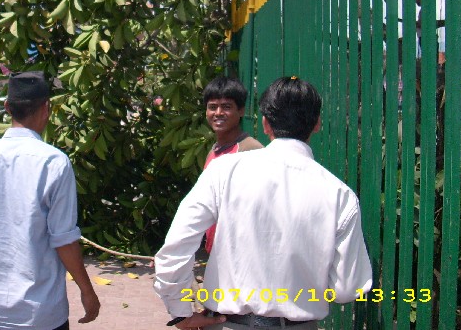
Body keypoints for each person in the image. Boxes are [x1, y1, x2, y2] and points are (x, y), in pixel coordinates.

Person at [154, 76, 372, 330]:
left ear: (266, 124)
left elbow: (176, 247)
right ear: (317, 124)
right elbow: (347, 288)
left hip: (228, 324)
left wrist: (180, 311)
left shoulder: (224, 171)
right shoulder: (339, 194)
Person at [0, 71, 100, 330]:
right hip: (42, 312)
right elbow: (63, 239)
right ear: (47, 108)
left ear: (8, 107)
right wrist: (87, 291)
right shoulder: (54, 163)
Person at [201, 76, 263, 253]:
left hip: (240, 253)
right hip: (215, 251)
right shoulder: (214, 151)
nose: (218, 113)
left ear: (241, 110)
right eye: (212, 107)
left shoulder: (250, 150)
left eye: (226, 107)